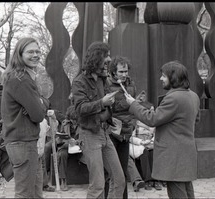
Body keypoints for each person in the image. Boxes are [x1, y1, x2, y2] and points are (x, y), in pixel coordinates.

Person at [124, 60, 200, 198]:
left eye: (164, 76)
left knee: (177, 193)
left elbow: (152, 119)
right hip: (187, 152)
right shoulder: (193, 96)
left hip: (174, 155)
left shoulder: (173, 98)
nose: (161, 79)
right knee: (187, 190)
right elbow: (196, 119)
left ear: (173, 77)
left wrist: (134, 104)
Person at [71, 41, 126, 198]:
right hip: (88, 134)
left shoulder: (103, 79)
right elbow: (80, 109)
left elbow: (108, 106)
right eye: (106, 56)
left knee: (119, 180)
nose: (109, 60)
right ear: (97, 57)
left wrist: (113, 112)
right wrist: (102, 102)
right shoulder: (79, 81)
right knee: (97, 186)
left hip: (104, 132)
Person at [1, 37, 49, 198]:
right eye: (30, 52)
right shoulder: (21, 79)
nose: (35, 55)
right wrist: (40, 104)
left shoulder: (21, 77)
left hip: (22, 142)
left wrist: (39, 103)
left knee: (34, 193)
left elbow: (39, 106)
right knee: (25, 194)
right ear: (19, 54)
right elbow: (38, 114)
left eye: (37, 51)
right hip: (23, 142)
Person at [106, 56, 137, 198]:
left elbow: (134, 109)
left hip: (126, 133)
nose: (124, 74)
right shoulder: (106, 85)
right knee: (111, 173)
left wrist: (133, 123)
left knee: (123, 172)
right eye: (121, 72)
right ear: (113, 72)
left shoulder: (131, 85)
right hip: (112, 134)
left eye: (126, 71)